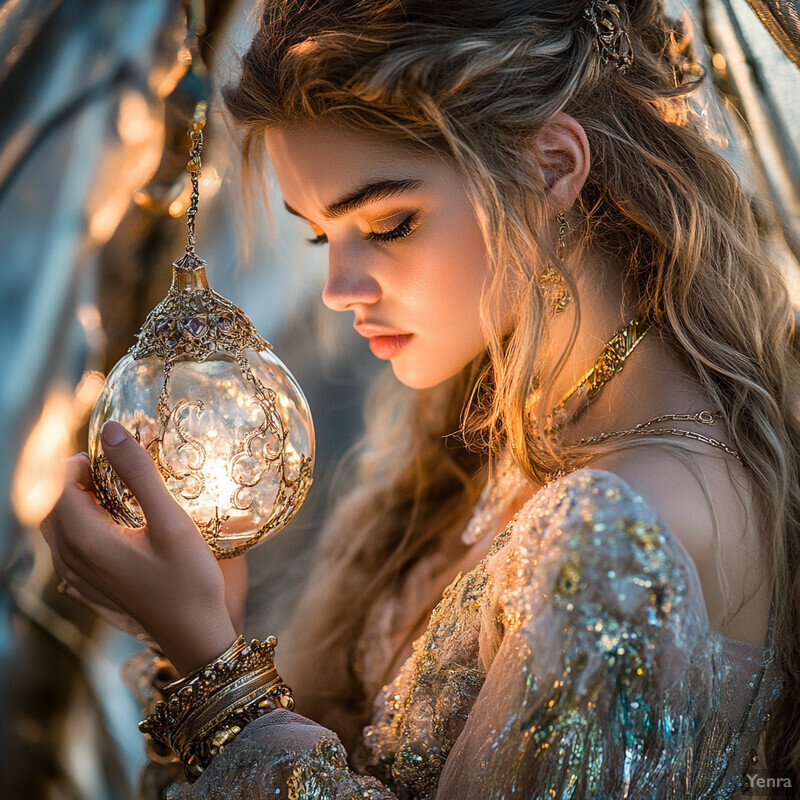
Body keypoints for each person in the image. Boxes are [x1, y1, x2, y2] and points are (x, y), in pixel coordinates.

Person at [39, 0, 800, 796]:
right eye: (318, 236)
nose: (338, 290)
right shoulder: (508, 434)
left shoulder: (625, 530)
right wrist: (194, 635)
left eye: (391, 223)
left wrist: (215, 678)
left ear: (553, 167)